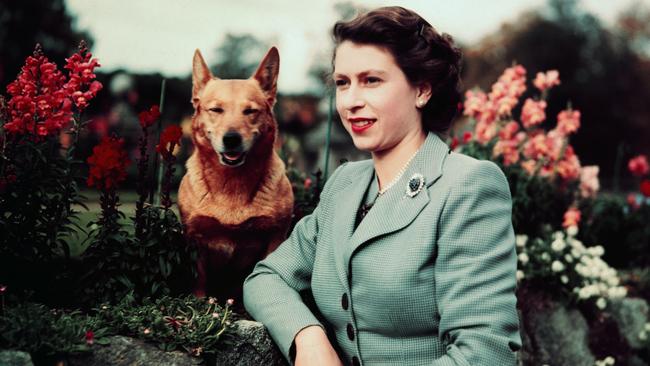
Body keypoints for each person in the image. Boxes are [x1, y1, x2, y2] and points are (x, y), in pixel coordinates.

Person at [243, 6, 522, 366]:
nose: (351, 101)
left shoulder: (468, 185)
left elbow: (486, 352)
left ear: (421, 90)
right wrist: (307, 338)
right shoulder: (344, 184)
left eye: (371, 80)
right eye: (343, 83)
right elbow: (267, 278)